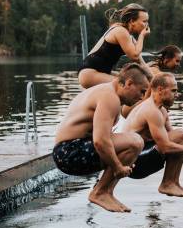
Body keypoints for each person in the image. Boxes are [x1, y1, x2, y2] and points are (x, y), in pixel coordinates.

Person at [53, 63, 151, 212]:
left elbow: (103, 138)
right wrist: (118, 166)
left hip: (67, 152)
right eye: (142, 91)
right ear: (129, 83)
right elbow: (100, 141)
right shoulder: (109, 97)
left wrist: (124, 158)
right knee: (136, 142)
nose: (142, 97)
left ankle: (106, 192)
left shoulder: (106, 92)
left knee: (130, 146)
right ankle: (100, 192)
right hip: (69, 152)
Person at [122, 73, 183, 197]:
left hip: (144, 153)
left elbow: (175, 140)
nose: (177, 94)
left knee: (182, 136)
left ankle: (173, 183)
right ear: (160, 90)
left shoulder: (161, 110)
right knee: (182, 134)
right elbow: (165, 147)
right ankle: (167, 184)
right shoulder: (151, 110)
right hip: (132, 164)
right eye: (173, 90)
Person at [78, 3, 152, 89]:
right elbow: (134, 56)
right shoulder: (120, 31)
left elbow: (141, 63)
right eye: (144, 21)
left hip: (101, 73)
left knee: (136, 82)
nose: (147, 25)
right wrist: (142, 36)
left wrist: (153, 79)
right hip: (89, 74)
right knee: (129, 87)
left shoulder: (129, 37)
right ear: (132, 21)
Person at [121, 45, 183, 118]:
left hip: (127, 107)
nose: (179, 65)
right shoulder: (156, 73)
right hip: (131, 110)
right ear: (167, 59)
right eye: (177, 61)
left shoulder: (151, 64)